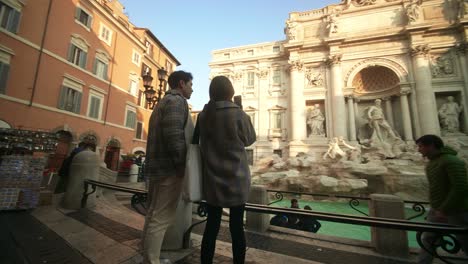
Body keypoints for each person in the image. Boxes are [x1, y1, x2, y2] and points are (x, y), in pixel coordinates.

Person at [199, 76, 256, 264]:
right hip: (237, 180)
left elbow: (196, 142)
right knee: (237, 228)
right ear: (230, 92)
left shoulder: (204, 115)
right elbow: (249, 140)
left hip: (212, 180)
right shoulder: (239, 114)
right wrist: (240, 109)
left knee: (211, 227)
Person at [142, 70, 193, 264]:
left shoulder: (162, 103)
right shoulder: (176, 102)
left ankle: (149, 257)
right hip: (169, 170)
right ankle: (151, 261)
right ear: (181, 84)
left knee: (153, 215)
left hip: (157, 168)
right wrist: (181, 166)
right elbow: (174, 136)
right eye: (190, 84)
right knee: (161, 218)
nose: (192, 89)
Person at [415, 135, 468, 263]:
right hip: (437, 210)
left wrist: (444, 209)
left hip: (457, 210)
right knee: (428, 239)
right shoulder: (433, 162)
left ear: (431, 145)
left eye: (421, 146)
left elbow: (460, 187)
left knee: (465, 240)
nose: (419, 150)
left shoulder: (451, 161)